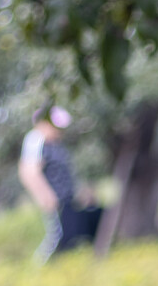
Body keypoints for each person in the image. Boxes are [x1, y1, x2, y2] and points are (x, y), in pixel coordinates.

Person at [18, 105, 102, 262]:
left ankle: (63, 267)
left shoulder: (56, 143)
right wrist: (45, 196)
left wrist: (82, 191)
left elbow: (67, 172)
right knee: (57, 235)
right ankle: (40, 266)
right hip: (55, 200)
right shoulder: (36, 139)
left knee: (70, 235)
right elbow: (29, 172)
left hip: (67, 198)